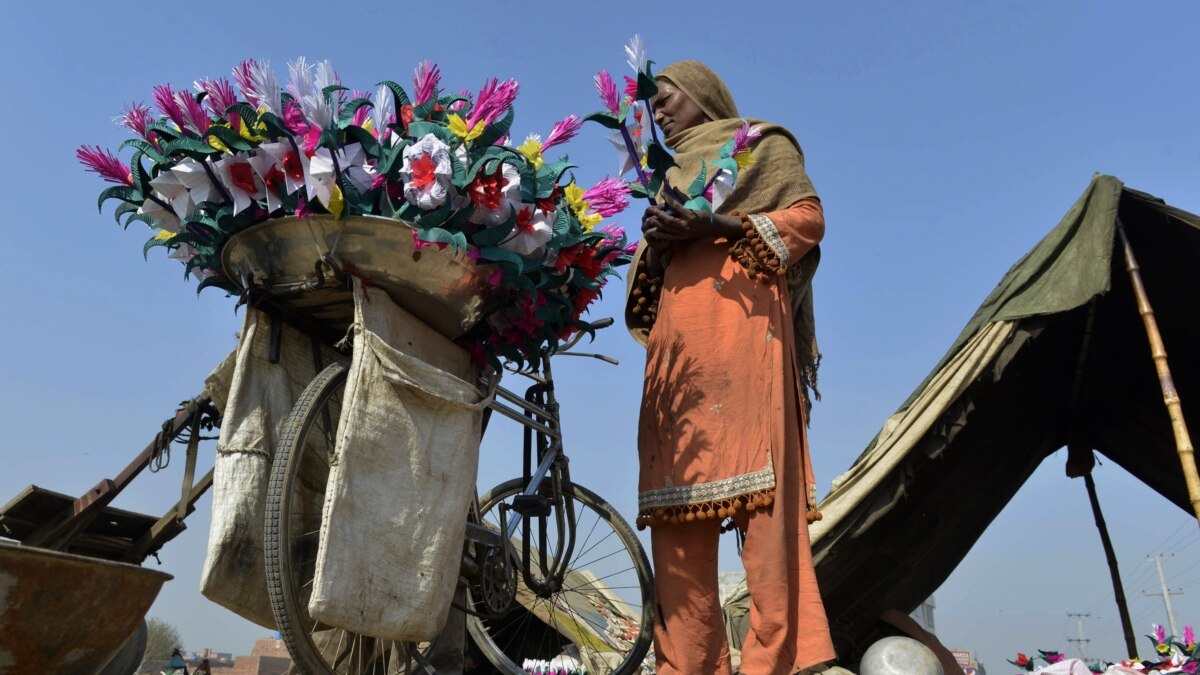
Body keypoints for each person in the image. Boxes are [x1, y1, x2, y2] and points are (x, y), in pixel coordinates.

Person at [626, 60, 837, 675]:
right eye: (653, 106)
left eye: (668, 100)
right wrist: (661, 238)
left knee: (764, 499)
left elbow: (808, 220)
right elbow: (649, 276)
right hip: (679, 346)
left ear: (703, 95)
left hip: (744, 328)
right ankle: (688, 664)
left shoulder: (761, 145)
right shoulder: (663, 174)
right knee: (675, 501)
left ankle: (781, 660)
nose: (659, 113)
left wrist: (712, 222)